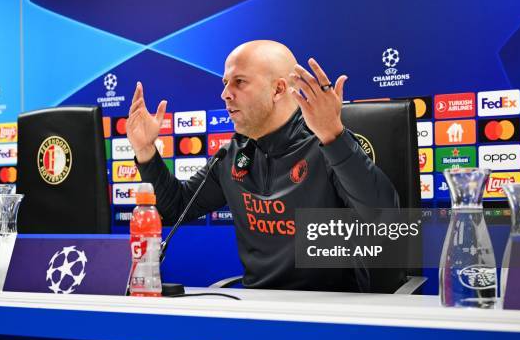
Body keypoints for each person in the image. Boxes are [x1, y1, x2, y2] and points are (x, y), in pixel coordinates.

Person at [127, 40, 399, 292]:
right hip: (259, 312)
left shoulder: (327, 145)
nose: (224, 94)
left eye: (239, 82)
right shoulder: (233, 155)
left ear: (278, 89)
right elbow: (174, 207)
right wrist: (145, 150)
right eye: (225, 83)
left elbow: (385, 220)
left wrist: (334, 136)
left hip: (331, 317)